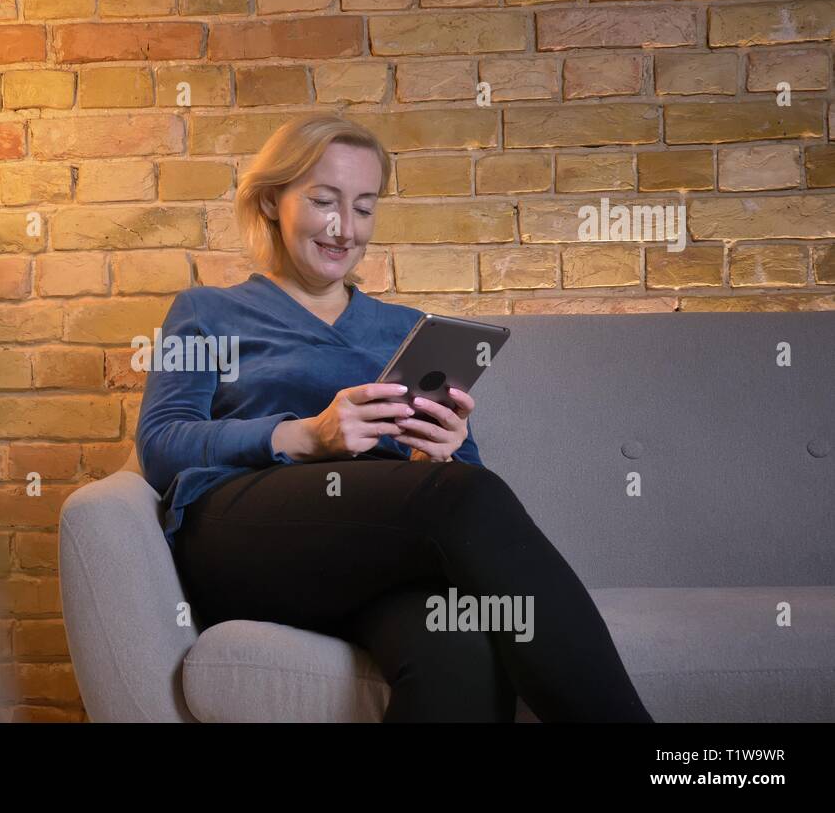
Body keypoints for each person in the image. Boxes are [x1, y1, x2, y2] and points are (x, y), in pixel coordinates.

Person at [134, 113, 654, 723]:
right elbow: (162, 443)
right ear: (273, 202)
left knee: (461, 650)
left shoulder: (403, 327)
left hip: (376, 556)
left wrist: (444, 449)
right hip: (246, 539)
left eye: (363, 207)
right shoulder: (206, 311)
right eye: (324, 201)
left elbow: (457, 484)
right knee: (465, 499)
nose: (343, 228)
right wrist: (304, 436)